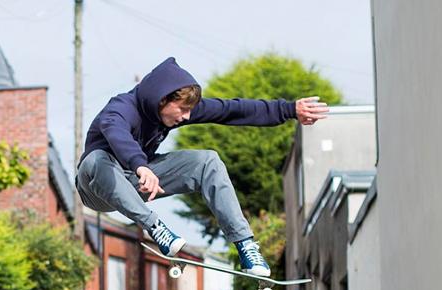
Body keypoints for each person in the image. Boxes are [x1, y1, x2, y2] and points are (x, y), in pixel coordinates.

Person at [76, 57, 328, 276]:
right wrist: (140, 165)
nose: (185, 117)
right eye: (182, 110)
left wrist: (289, 109)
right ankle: (156, 228)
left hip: (136, 182)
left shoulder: (174, 110)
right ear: (163, 100)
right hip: (96, 186)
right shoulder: (120, 108)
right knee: (97, 159)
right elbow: (115, 131)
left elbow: (231, 110)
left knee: (208, 161)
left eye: (189, 111)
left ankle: (245, 245)